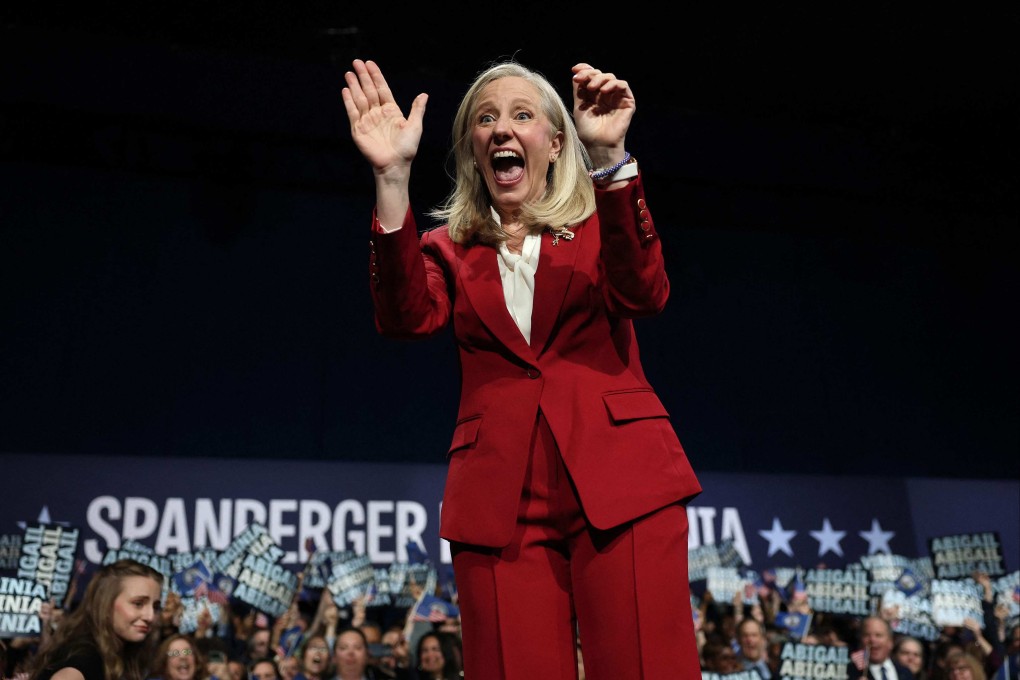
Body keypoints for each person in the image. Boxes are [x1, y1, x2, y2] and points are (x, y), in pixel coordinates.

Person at [341, 54, 702, 679]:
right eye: (485, 119)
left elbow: (645, 294)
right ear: (472, 150)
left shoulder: (600, 224)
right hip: (501, 502)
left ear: (556, 143)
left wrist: (609, 158)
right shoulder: (448, 248)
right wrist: (392, 177)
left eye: (521, 115)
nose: (501, 129)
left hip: (622, 481)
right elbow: (404, 317)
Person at [28, 559, 164, 680]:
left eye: (156, 607)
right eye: (138, 603)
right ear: (105, 604)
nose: (150, 616)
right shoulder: (85, 658)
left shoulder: (116, 655)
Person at [848, 616, 915, 680]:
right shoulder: (850, 673)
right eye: (867, 635)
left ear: (890, 642)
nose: (872, 639)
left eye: (878, 635)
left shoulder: (906, 673)